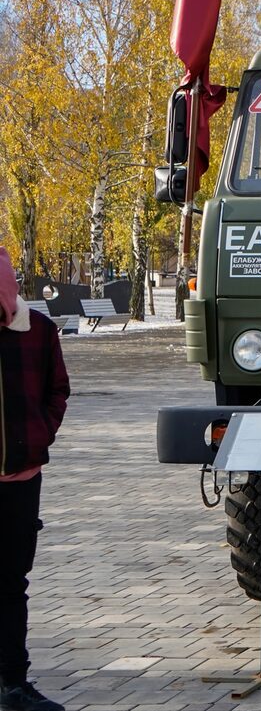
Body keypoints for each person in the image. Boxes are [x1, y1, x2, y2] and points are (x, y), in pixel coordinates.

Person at [0, 249, 69, 711]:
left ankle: (13, 685)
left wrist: (39, 433)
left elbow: (57, 389)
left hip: (21, 479)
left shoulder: (37, 330)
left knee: (11, 583)